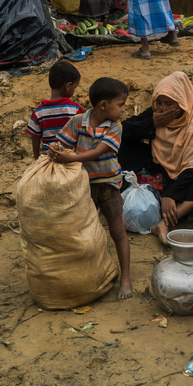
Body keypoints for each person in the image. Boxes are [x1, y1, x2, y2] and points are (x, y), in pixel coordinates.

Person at [49, 76, 134, 300]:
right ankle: (89, 276)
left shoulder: (116, 127)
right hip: (83, 188)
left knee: (118, 232)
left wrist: (70, 159)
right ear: (103, 105)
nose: (124, 110)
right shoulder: (78, 122)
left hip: (108, 186)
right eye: (121, 104)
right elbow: (62, 142)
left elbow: (98, 152)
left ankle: (125, 278)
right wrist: (56, 150)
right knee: (83, 233)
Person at [149, 71, 193, 243]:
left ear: (182, 102)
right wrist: (151, 122)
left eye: (168, 104)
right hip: (170, 176)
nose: (162, 109)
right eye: (158, 103)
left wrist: (170, 195)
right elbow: (128, 129)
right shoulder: (158, 118)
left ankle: (164, 223)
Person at [24, 60, 83, 160]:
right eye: (75, 87)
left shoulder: (39, 112)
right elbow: (83, 136)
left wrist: (37, 159)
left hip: (47, 159)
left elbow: (35, 138)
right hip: (70, 159)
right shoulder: (76, 110)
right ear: (68, 86)